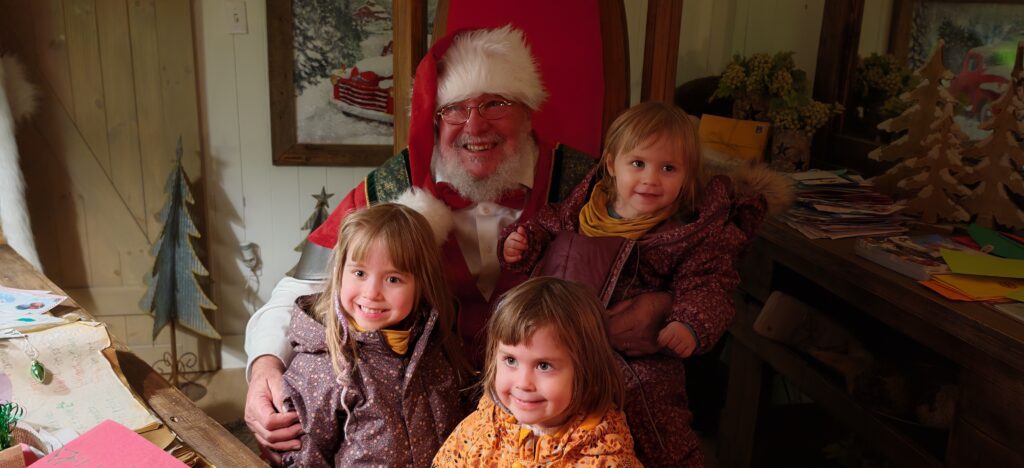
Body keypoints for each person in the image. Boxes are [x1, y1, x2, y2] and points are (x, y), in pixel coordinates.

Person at [244, 25, 673, 462]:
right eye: (454, 109)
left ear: (527, 111)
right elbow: (297, 293)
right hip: (413, 427)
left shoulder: (591, 186)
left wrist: (667, 305)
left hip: (553, 425)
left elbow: (686, 257)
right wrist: (264, 368)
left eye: (495, 103)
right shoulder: (390, 189)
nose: (475, 125)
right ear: (435, 118)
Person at [500, 101, 791, 466]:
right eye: (638, 163)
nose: (651, 179)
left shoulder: (688, 231)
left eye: (668, 168)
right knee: (514, 391)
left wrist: (690, 323)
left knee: (655, 414)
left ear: (687, 177)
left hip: (634, 352)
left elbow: (709, 282)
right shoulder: (583, 208)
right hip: (561, 333)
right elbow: (545, 229)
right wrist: (522, 244)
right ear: (611, 164)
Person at [279, 204, 471, 466]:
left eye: (393, 279)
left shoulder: (437, 347)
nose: (372, 293)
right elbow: (305, 457)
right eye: (359, 273)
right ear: (340, 272)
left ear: (421, 283)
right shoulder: (323, 367)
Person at [433, 277, 642, 466]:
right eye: (511, 360)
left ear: (587, 371)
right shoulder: (485, 425)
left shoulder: (604, 453)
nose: (523, 383)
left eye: (544, 366)